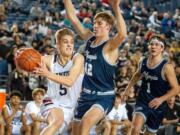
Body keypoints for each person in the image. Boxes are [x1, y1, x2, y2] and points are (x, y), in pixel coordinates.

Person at [63, 0, 127, 134]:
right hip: (85, 95)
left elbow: (122, 35)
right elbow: (73, 19)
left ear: (108, 27)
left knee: (86, 122)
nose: (95, 26)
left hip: (103, 96)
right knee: (75, 131)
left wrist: (115, 7)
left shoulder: (110, 46)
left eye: (99, 24)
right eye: (94, 23)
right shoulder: (89, 39)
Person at [122, 34, 180, 135]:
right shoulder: (143, 61)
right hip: (143, 100)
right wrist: (127, 88)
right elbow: (137, 75)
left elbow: (176, 89)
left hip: (158, 105)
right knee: (135, 129)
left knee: (149, 133)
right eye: (152, 44)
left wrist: (161, 99)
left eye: (157, 44)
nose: (153, 46)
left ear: (162, 48)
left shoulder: (167, 67)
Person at [33, 28, 84, 135]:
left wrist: (47, 73)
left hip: (71, 107)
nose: (69, 45)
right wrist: (22, 59)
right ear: (58, 45)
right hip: (52, 101)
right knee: (57, 121)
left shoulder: (78, 58)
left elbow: (70, 81)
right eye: (65, 42)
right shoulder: (48, 59)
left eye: (71, 42)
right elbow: (30, 61)